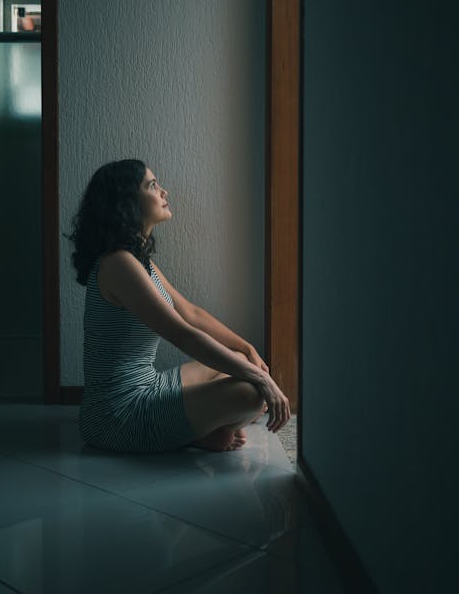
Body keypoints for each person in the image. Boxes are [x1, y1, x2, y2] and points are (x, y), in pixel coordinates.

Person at [65, 159, 291, 454]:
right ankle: (192, 433)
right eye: (153, 185)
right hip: (116, 415)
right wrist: (261, 378)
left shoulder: (136, 260)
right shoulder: (118, 263)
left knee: (240, 361)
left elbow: (191, 313)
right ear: (127, 201)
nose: (164, 192)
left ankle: (193, 431)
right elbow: (182, 333)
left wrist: (248, 350)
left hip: (150, 385)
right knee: (252, 395)